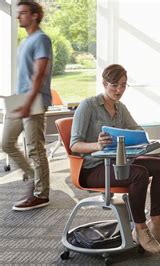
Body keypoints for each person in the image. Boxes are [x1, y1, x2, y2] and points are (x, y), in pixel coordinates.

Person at [70, 64, 160, 253]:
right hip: (91, 169)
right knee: (138, 174)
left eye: (123, 85)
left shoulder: (120, 108)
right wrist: (97, 145)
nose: (119, 90)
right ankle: (140, 229)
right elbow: (74, 145)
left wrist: (136, 138)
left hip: (118, 164)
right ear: (104, 83)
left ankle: (155, 224)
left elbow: (138, 130)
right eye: (114, 85)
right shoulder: (88, 106)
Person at [3, 1, 52, 211]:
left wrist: (29, 103)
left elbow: (39, 74)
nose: (18, 17)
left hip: (35, 99)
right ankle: (33, 177)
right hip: (21, 98)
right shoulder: (26, 41)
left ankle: (41, 194)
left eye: (23, 13)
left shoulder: (41, 39)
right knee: (6, 142)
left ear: (35, 15)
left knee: (35, 148)